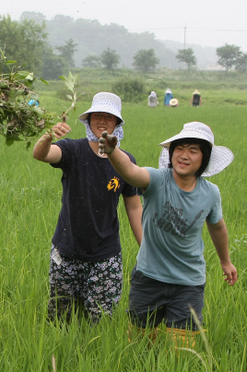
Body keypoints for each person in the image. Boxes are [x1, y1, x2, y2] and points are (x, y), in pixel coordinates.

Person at [99, 121, 237, 348]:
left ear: (204, 158)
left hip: (189, 281)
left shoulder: (211, 193)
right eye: (180, 149)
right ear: (171, 153)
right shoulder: (157, 180)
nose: (184, 155)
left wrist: (225, 261)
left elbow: (218, 227)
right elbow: (131, 172)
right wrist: (113, 151)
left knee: (182, 348)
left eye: (193, 151)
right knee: (139, 343)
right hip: (149, 277)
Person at [32, 92, 143, 324]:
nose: (102, 121)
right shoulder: (73, 150)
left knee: (101, 321)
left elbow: (133, 207)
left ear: (117, 124)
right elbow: (42, 154)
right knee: (60, 319)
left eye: (108, 117)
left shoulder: (126, 162)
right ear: (89, 120)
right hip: (66, 250)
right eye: (97, 116)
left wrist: (146, 246)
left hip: (106, 254)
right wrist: (48, 137)